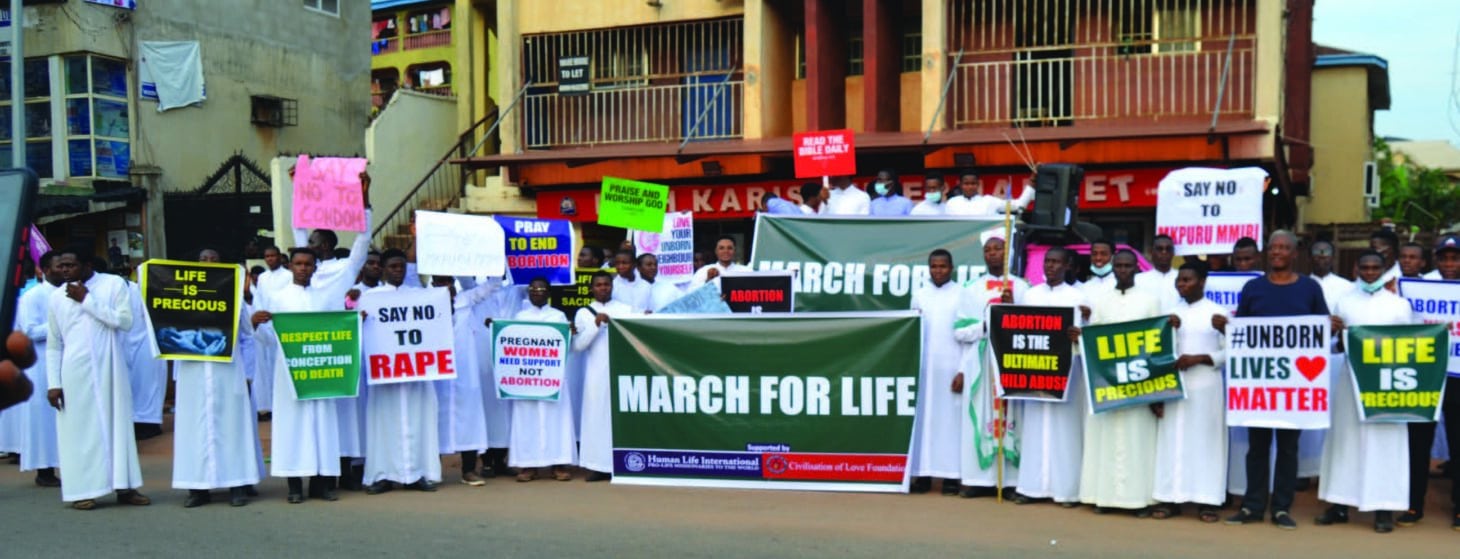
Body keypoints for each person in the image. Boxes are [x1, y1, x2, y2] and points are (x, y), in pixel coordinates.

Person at [1224, 230, 1329, 530]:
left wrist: (1331, 326)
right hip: (1260, 384)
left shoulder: (1310, 288)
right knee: (1257, 447)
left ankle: (1282, 508)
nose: (1278, 252)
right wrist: (1226, 328)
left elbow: (1320, 329)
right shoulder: (1252, 287)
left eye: (1284, 247)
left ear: (1295, 254)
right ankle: (1252, 506)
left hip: (1294, 387)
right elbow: (1241, 330)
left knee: (1287, 448)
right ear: (1267, 253)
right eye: (1273, 247)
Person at [45, 248, 148, 510]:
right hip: (74, 372)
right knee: (78, 431)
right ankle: (83, 490)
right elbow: (54, 344)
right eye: (61, 267)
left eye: (70, 265)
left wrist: (87, 300)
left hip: (110, 367)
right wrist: (53, 383)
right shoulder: (56, 297)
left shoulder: (113, 285)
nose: (65, 270)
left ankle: (125, 488)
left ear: (87, 264)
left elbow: (124, 322)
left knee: (118, 427)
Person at [1317, 250, 1411, 533]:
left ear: (1384, 271)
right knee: (1346, 442)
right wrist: (1336, 336)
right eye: (1365, 268)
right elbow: (1333, 347)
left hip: (1385, 385)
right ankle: (1340, 504)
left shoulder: (1399, 305)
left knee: (1384, 443)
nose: (1370, 273)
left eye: (1375, 268)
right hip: (1351, 381)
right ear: (1357, 269)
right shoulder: (1344, 302)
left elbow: (1409, 346)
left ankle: (1383, 508)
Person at [253, 248, 353, 504]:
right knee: (293, 426)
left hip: (320, 371)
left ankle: (323, 484)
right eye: (298, 263)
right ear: (291, 267)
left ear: (315, 267)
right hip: (288, 372)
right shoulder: (277, 298)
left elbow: (337, 328)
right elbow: (267, 339)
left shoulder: (326, 297)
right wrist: (256, 324)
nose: (303, 268)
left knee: (323, 425)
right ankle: (295, 485)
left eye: (308, 264)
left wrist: (355, 322)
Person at [292, 178, 373, 488]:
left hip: (339, 344)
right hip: (311, 346)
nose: (307, 248)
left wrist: (365, 198)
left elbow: (363, 240)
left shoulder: (344, 268)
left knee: (344, 412)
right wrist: (297, 191)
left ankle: (346, 469)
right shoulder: (303, 272)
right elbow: (298, 229)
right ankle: (318, 471)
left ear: (324, 246)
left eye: (312, 243)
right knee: (318, 414)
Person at [1073, 249, 1163, 515]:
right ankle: (1104, 498)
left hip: (1139, 382)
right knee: (1106, 439)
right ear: (1113, 269)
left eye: (1128, 266)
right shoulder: (1101, 300)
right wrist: (1079, 338)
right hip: (1108, 383)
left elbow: (1156, 343)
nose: (1123, 270)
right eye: (1119, 266)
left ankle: (1139, 500)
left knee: (1138, 441)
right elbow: (1094, 338)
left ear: (1136, 268)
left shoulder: (1150, 300)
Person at [171, 250, 262, 508]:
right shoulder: (180, 295)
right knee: (194, 429)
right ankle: (197, 489)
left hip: (227, 369)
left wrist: (249, 374)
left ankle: (238, 483)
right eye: (203, 260)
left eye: (214, 260)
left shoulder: (232, 295)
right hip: (192, 371)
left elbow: (246, 333)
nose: (209, 264)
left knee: (233, 427)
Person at [1152, 261, 1228, 522]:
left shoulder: (1218, 314)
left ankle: (1208, 501)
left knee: (1206, 443)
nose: (1181, 284)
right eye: (1179, 280)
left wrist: (1200, 358)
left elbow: (1230, 352)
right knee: (1173, 441)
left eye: (1187, 280)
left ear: (1202, 282)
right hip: (1173, 387)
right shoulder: (1170, 314)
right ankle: (1171, 497)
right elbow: (1156, 353)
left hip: (1207, 385)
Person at [1013, 246, 1089, 506]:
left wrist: (1080, 333)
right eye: (1048, 261)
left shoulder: (1078, 296)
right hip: (1035, 375)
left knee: (1065, 431)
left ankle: (1066, 490)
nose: (1051, 266)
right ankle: (1030, 488)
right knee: (1034, 428)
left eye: (1057, 262)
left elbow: (1088, 334)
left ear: (1067, 265)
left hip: (1067, 374)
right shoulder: (1031, 295)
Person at [361, 249, 441, 495]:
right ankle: (383, 474)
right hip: (385, 373)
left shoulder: (419, 296)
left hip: (415, 371)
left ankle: (419, 473)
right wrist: (359, 319)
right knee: (383, 422)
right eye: (393, 267)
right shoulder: (369, 298)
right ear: (383, 269)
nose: (398, 271)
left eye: (402, 267)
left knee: (420, 420)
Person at [952, 237, 1026, 497]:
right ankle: (977, 480)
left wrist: (1013, 309)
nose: (993, 254)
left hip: (1011, 362)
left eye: (998, 249)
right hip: (981, 361)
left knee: (1012, 418)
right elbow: (960, 331)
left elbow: (1034, 325)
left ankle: (1008, 482)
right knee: (979, 418)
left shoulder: (1023, 286)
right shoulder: (971, 288)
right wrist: (986, 325)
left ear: (1008, 252)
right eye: (988, 250)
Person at [1400, 234, 1460, 528]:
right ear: (1436, 261)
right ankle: (1413, 506)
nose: (1449, 264)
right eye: (1444, 258)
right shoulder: (1419, 288)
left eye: (1455, 258)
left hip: (1457, 378)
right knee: (1417, 444)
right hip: (1423, 376)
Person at [430, 274, 500, 487]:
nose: (445, 286)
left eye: (448, 281)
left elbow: (494, 283)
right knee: (434, 421)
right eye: (440, 282)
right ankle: (433, 472)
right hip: (436, 374)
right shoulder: (424, 302)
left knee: (469, 418)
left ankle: (468, 470)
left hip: (464, 371)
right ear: (432, 284)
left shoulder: (465, 299)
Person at [907, 249, 964, 494]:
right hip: (924, 367)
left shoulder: (962, 294)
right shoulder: (919, 295)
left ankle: (951, 476)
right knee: (924, 421)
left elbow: (968, 337)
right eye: (934, 266)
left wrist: (962, 370)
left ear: (951, 268)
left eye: (942, 266)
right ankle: (923, 475)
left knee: (950, 423)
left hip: (952, 366)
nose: (938, 270)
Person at [510, 278, 577, 481]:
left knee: (556, 419)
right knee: (527, 419)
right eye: (533, 289)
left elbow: (566, 346)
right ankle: (529, 466)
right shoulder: (520, 316)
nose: (537, 292)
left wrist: (571, 333)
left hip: (551, 379)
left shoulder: (558, 316)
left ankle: (558, 464)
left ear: (549, 293)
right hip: (527, 380)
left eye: (541, 289)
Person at [574, 272, 634, 481]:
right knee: (596, 416)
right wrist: (595, 325)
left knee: (618, 417)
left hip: (621, 370)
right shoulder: (583, 313)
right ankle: (596, 465)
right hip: (596, 373)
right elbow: (578, 346)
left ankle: (620, 463)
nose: (603, 288)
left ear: (612, 286)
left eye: (606, 284)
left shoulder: (625, 309)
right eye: (598, 285)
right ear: (592, 288)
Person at [16, 251, 62, 486]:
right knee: (44, 418)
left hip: (65, 361)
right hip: (41, 362)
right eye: (58, 266)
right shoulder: (33, 297)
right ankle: (44, 470)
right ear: (44, 270)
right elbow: (30, 330)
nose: (63, 270)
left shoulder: (70, 294)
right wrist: (60, 324)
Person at [122, 266, 166, 440]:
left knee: (150, 384)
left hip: (149, 342)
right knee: (133, 384)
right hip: (127, 341)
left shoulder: (155, 292)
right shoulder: (125, 290)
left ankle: (150, 422)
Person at [251, 244, 292, 416]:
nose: (270, 259)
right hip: (265, 323)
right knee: (265, 366)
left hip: (282, 322)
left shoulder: (289, 275)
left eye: (273, 256)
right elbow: (258, 298)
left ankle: (283, 403)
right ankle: (266, 405)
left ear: (279, 257)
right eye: (267, 256)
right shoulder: (262, 277)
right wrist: (260, 315)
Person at [1135, 234, 1179, 310]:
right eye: (1159, 249)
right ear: (1151, 252)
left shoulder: (1181, 278)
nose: (1164, 252)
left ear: (1173, 253)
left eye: (1168, 249)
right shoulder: (1138, 279)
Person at [1309, 240, 1353, 308]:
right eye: (1316, 252)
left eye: (1326, 252)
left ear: (1333, 258)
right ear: (1309, 257)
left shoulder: (1347, 286)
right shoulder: (1301, 286)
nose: (1322, 256)